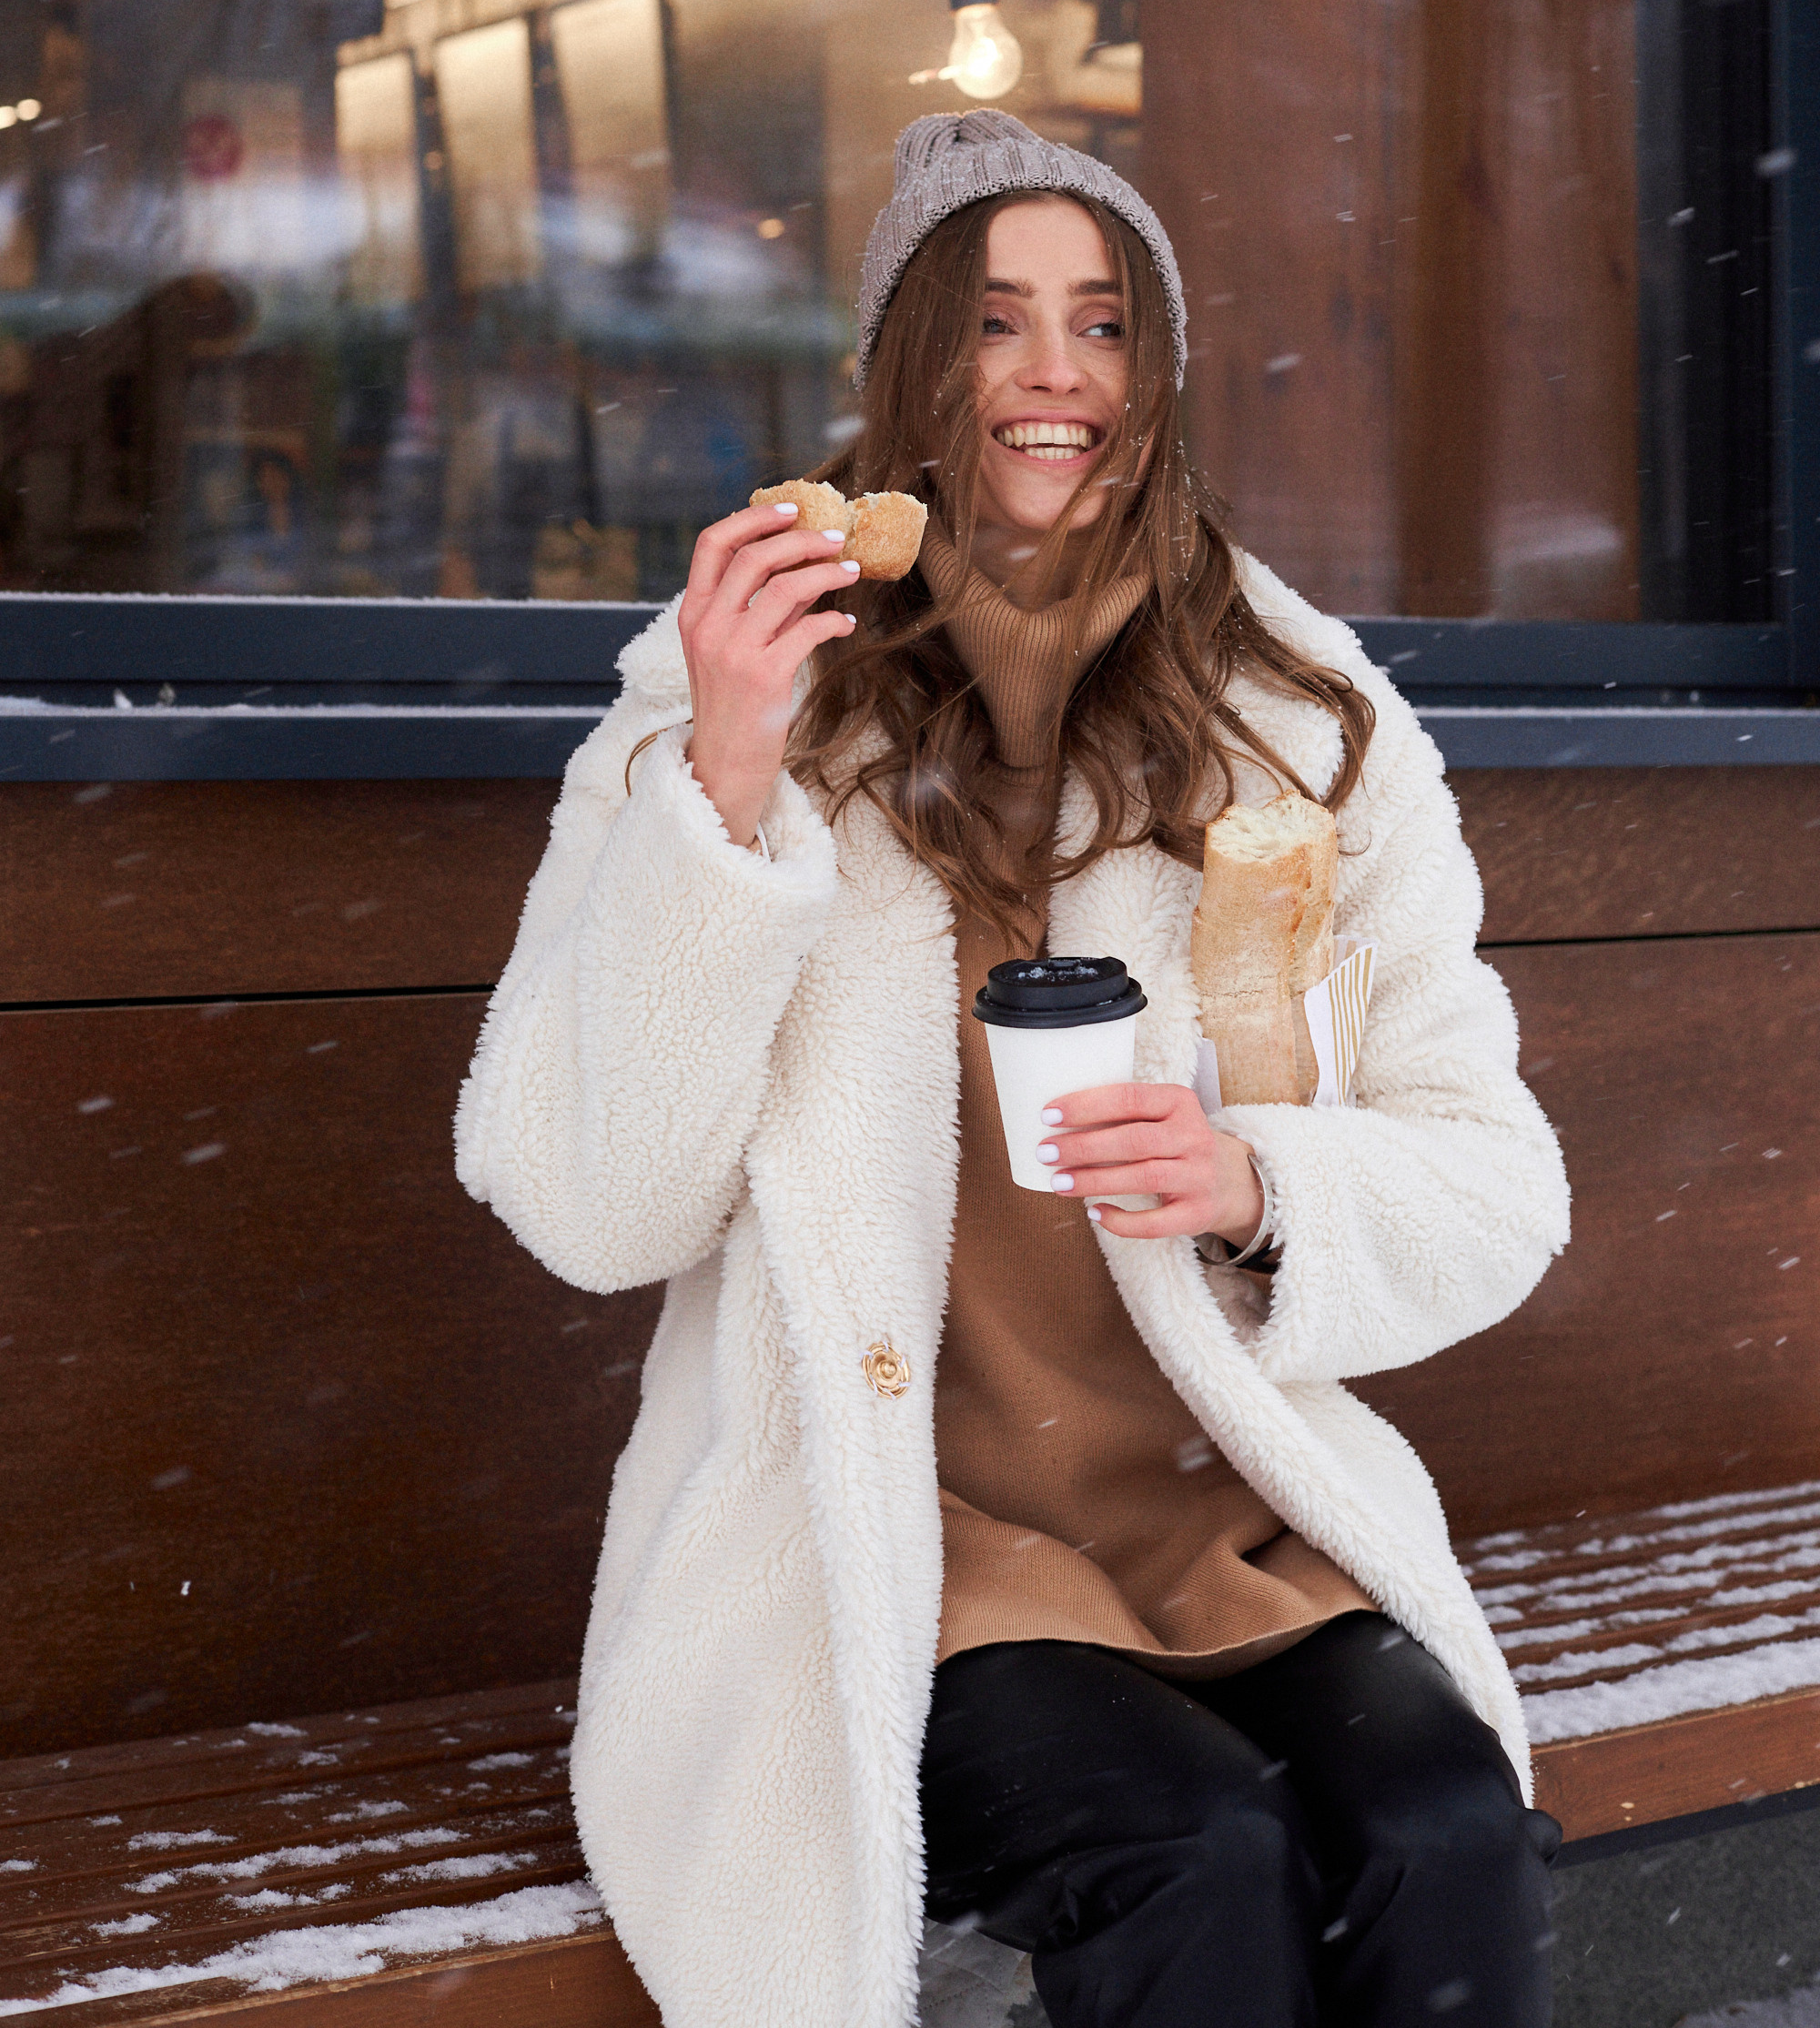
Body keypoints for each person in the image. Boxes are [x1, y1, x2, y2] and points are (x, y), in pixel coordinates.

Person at [455, 108, 1571, 2028]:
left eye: (1106, 324)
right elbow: (585, 1207)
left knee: (1442, 1826)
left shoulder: (1299, 724)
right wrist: (725, 788)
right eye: (994, 322)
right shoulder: (725, 693)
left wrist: (1261, 1188)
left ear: (1160, 375)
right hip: (895, 1536)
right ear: (909, 369)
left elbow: (1495, 1181)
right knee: (1188, 1849)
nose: (1055, 375)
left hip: (1223, 1510)